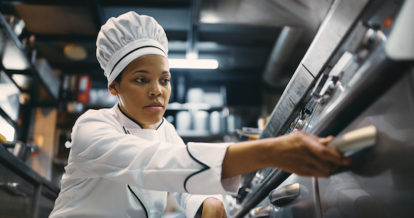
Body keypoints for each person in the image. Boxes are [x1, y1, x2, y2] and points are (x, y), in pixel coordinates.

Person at [49, 12, 350, 218]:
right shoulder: (92, 127)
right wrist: (270, 151)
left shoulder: (165, 132)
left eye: (164, 80)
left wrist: (208, 201)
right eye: (141, 80)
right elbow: (153, 164)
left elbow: (185, 184)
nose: (157, 91)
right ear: (114, 87)